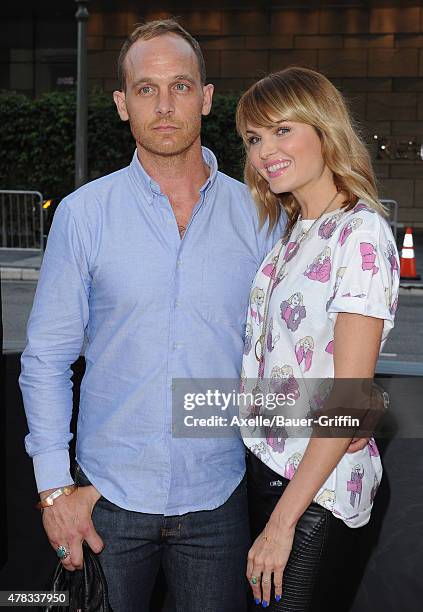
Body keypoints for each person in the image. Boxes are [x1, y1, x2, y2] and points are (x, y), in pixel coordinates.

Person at [19, 20, 284, 612]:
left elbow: (293, 356)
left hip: (220, 499)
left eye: (181, 87)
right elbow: (47, 360)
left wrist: (348, 417)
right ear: (121, 103)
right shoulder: (84, 215)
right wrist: (53, 488)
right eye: (146, 89)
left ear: (207, 98)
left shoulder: (263, 217)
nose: (165, 106)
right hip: (106, 499)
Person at [236, 67, 399, 610]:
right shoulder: (294, 230)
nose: (265, 151)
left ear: (325, 129)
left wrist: (283, 524)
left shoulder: (361, 232)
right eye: (254, 138)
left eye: (283, 130)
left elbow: (350, 396)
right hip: (271, 470)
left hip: (313, 492)